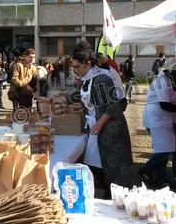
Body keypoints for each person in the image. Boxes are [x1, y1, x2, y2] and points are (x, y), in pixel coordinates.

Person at [39, 41, 133, 198]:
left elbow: (116, 104)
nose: (75, 70)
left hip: (111, 129)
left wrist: (100, 123)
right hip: (98, 127)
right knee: (95, 162)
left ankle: (116, 197)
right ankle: (109, 191)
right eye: (73, 67)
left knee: (114, 166)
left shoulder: (102, 78)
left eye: (77, 67)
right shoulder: (88, 78)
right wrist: (52, 100)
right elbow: (77, 95)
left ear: (88, 63)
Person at [140, 59, 176, 188]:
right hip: (156, 119)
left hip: (162, 119)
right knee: (165, 150)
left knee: (164, 149)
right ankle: (146, 169)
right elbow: (164, 104)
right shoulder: (162, 81)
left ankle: (161, 179)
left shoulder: (169, 80)